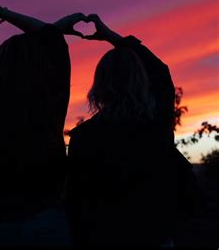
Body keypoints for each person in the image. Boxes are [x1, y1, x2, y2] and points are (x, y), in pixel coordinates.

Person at [67, 14, 201, 246]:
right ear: (141, 81)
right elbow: (159, 70)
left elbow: (77, 204)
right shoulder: (155, 125)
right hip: (154, 237)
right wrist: (111, 36)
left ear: (99, 84)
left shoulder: (83, 138)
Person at [0, 0, 86, 246]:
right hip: (47, 216)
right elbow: (49, 37)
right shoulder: (51, 100)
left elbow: (48, 37)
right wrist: (3, 12)